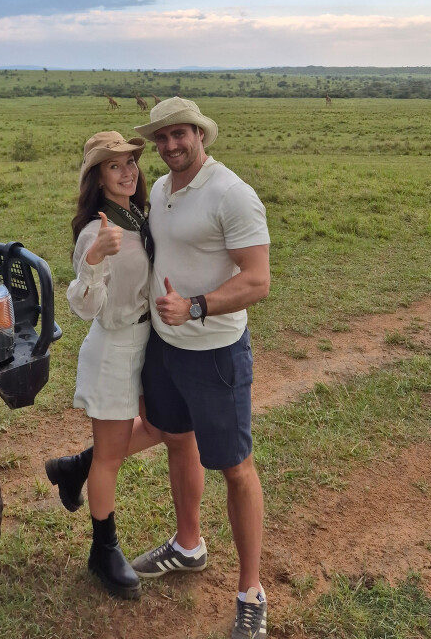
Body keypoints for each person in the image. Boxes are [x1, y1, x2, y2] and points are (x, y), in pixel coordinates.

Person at [130, 97, 271, 639]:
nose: (170, 145)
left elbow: (257, 280)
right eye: (161, 138)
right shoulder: (161, 190)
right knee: (176, 440)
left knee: (236, 468)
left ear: (200, 134)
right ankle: (188, 545)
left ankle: (251, 592)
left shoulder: (231, 194)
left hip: (215, 352)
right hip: (165, 347)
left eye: (179, 135)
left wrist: (195, 307)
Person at [45, 130, 160, 600]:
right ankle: (103, 548)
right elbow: (86, 307)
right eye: (115, 165)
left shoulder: (138, 216)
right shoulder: (97, 232)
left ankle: (76, 466)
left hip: (150, 340)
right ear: (98, 177)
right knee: (110, 458)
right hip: (114, 347)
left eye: (130, 162)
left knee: (161, 425)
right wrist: (92, 259)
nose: (127, 171)